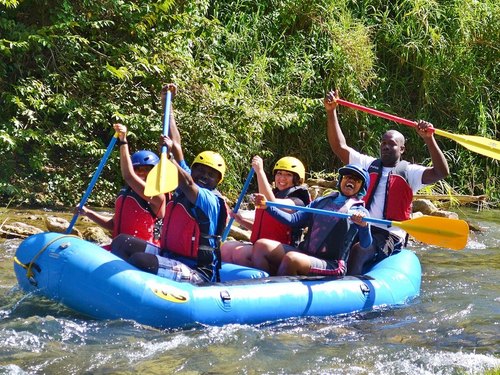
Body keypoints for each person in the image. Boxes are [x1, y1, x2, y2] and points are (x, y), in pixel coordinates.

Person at [324, 90, 449, 275]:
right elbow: (339, 147)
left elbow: (441, 172)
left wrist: (428, 139)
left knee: (359, 250)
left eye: (391, 144)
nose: (385, 146)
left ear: (402, 149)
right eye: (383, 142)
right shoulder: (368, 164)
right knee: (331, 241)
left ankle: (348, 289)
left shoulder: (410, 172)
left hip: (390, 234)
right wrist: (331, 111)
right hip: (362, 225)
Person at [111, 133, 228, 283]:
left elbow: (188, 184)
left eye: (211, 174)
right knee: (121, 242)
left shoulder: (209, 199)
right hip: (169, 255)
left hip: (197, 270)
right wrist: (168, 111)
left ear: (218, 180)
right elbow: (177, 144)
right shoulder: (186, 180)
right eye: (200, 170)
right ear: (192, 170)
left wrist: (169, 158)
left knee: (140, 260)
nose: (204, 176)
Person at [77, 84, 180, 246]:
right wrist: (88, 213)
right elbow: (112, 225)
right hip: (122, 248)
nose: (142, 174)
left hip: (144, 251)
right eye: (138, 169)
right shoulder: (126, 193)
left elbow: (128, 175)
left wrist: (123, 141)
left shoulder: (157, 196)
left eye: (147, 171)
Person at [250, 164, 372, 276]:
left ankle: (278, 293)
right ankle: (263, 284)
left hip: (331, 263)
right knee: (261, 245)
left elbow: (366, 244)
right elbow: (294, 219)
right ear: (341, 180)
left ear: (362, 187)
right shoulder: (322, 201)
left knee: (292, 259)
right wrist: (268, 207)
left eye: (357, 180)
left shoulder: (360, 212)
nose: (351, 180)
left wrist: (364, 226)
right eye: (347, 177)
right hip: (305, 253)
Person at [221, 155, 311, 267]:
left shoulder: (297, 201)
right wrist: (241, 220)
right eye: (279, 173)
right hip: (261, 246)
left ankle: (263, 278)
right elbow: (264, 230)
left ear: (297, 179)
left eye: (288, 175)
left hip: (282, 250)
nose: (282, 178)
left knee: (240, 254)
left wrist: (260, 171)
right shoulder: (275, 194)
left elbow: (271, 203)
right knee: (226, 248)